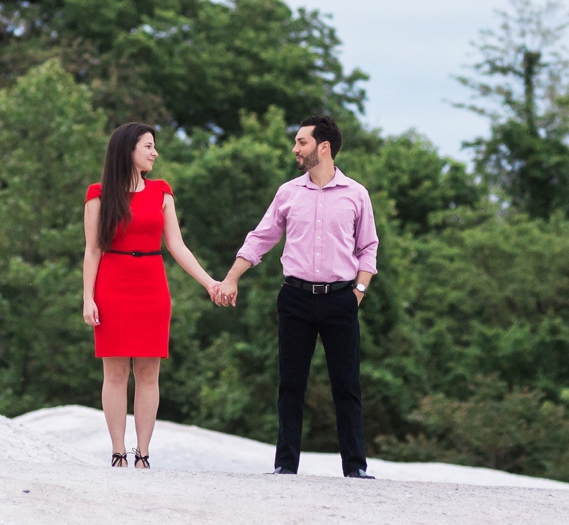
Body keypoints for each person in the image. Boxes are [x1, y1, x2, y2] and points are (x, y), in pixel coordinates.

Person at [214, 114, 378, 477]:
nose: (295, 149)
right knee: (290, 385)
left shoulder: (356, 194)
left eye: (301, 142)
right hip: (296, 299)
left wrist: (358, 294)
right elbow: (261, 238)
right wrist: (230, 278)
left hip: (341, 300)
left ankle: (355, 468)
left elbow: (368, 248)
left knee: (347, 387)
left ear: (324, 147)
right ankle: (286, 466)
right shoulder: (288, 193)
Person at [83, 121, 222, 469]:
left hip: (152, 284)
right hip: (112, 284)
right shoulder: (98, 195)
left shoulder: (161, 192)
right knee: (114, 373)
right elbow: (92, 251)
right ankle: (118, 451)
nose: (154, 152)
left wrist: (209, 282)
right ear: (128, 150)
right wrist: (88, 297)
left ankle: (143, 453)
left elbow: (177, 245)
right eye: (148, 146)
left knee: (148, 373)